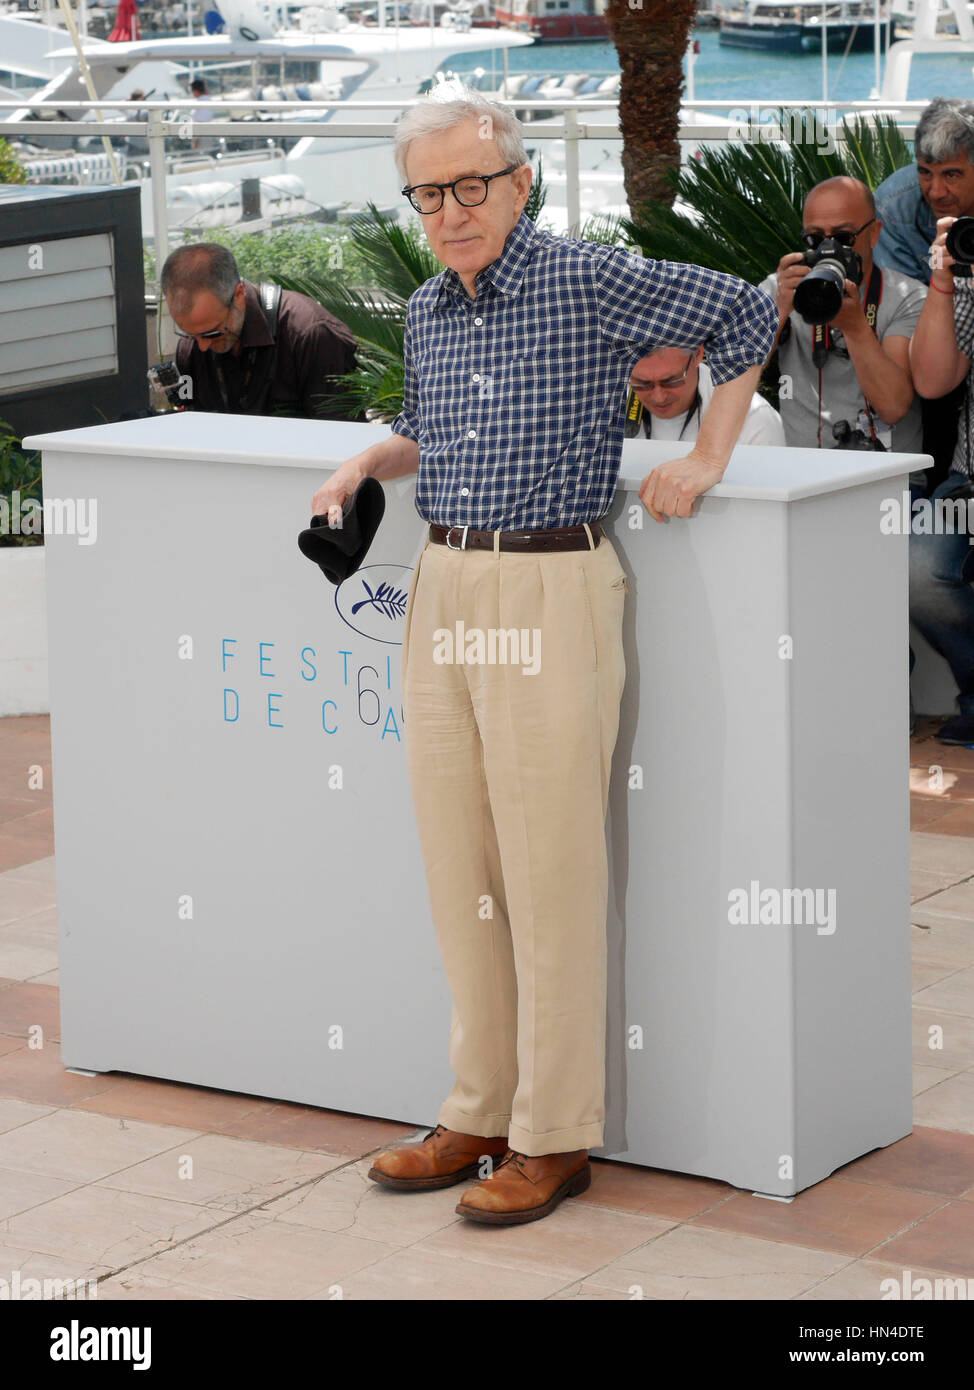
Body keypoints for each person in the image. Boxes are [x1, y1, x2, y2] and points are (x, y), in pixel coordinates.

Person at [310, 85, 779, 1226]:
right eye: (429, 194)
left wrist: (708, 455)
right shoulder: (426, 305)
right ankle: (476, 1104)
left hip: (550, 579)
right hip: (445, 579)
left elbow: (746, 313)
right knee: (458, 864)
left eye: (471, 185)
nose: (451, 211)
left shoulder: (581, 275)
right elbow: (437, 426)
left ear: (519, 183)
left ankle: (553, 1132)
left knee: (550, 867)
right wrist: (365, 466)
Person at [758, 176, 926, 455]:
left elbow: (893, 407)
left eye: (843, 238)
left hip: (888, 475)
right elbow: (732, 374)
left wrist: (856, 328)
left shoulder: (908, 296)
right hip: (801, 471)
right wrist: (779, 310)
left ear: (874, 234)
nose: (829, 249)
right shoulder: (784, 288)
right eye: (814, 238)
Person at [874, 97, 974, 484]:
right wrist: (943, 275)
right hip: (930, 346)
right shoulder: (897, 204)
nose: (935, 191)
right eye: (925, 173)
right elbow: (901, 308)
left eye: (952, 175)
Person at [908, 213, 974, 745]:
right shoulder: (970, 270)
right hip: (969, 481)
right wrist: (944, 278)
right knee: (919, 566)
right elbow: (932, 381)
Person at [160, 243, 359, 420]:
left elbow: (338, 436)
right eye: (188, 333)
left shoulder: (311, 335)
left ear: (238, 295)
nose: (202, 346)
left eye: (212, 333)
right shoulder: (191, 346)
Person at [625, 343, 785, 445]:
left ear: (698, 355)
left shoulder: (754, 419)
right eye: (642, 384)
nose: (658, 397)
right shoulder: (606, 404)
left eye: (671, 381)